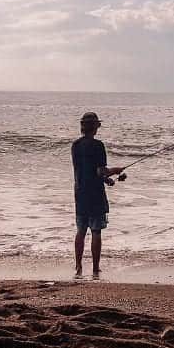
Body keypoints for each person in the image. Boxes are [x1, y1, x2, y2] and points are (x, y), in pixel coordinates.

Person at [71, 112, 124, 279]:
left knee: (81, 230)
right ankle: (95, 268)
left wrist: (107, 180)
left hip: (80, 192)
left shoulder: (75, 145)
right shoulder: (98, 146)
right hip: (95, 195)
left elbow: (88, 171)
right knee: (96, 231)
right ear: (96, 127)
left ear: (82, 127)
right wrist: (115, 171)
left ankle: (78, 266)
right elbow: (100, 171)